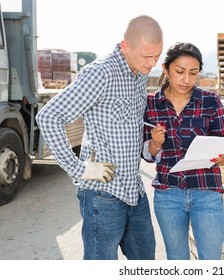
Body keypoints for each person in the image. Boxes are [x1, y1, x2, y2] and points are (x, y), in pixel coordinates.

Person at [36, 15, 163, 260]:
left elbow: (130, 127)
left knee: (146, 260)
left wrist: (151, 144)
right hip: (102, 194)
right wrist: (78, 168)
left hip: (133, 189)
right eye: (147, 56)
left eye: (157, 55)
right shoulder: (100, 73)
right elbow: (48, 117)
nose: (152, 62)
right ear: (125, 45)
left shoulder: (140, 73)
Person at [142, 42, 224, 260]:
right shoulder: (151, 104)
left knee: (211, 260)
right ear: (166, 69)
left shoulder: (210, 101)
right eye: (180, 72)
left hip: (206, 192)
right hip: (168, 194)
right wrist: (155, 144)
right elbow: (146, 154)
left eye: (193, 73)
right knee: (177, 260)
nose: (186, 79)